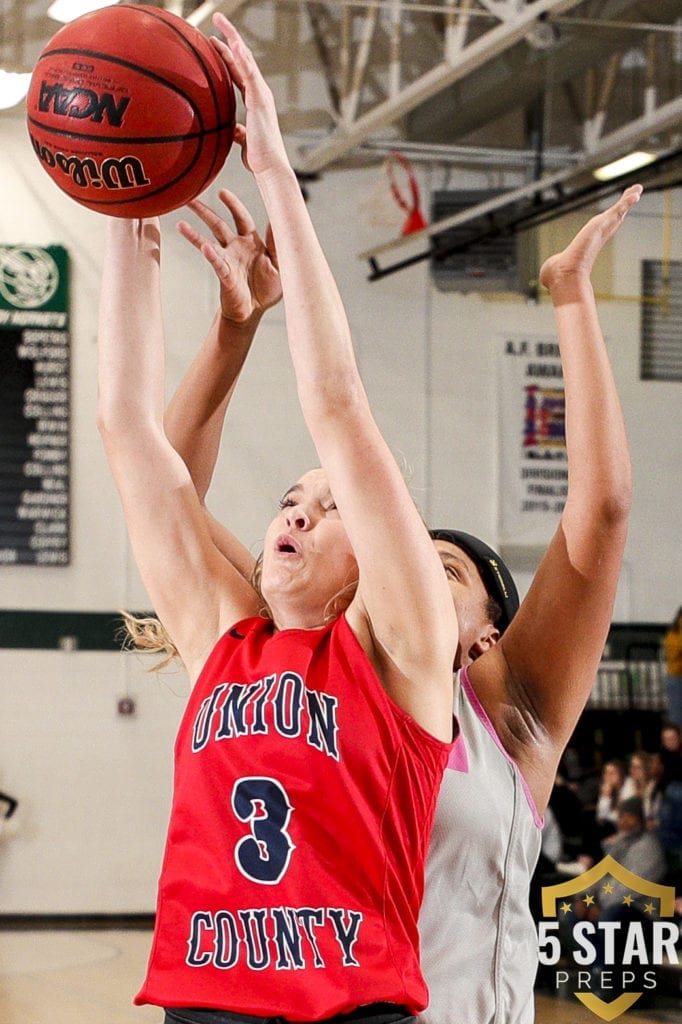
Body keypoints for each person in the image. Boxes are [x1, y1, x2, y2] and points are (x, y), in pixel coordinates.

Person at [165, 135, 642, 1022]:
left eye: (445, 568)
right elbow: (167, 501)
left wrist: (573, 299)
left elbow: (604, 511)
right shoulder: (329, 665)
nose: (411, 568)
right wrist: (233, 329)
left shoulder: (516, 711)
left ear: (490, 632)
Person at [97, 13, 457, 1024]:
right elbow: (128, 428)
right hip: (204, 1006)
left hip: (352, 1009)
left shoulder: (403, 653)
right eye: (291, 499)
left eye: (330, 502)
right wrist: (124, 208)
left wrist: (272, 171)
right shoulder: (224, 639)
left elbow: (336, 403)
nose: (299, 509)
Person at [662, 611, 682, 728]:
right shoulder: (673, 636)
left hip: (675, 676)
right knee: (676, 716)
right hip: (676, 677)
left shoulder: (672, 634)